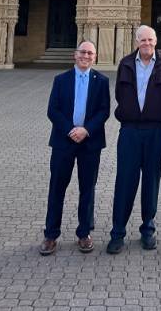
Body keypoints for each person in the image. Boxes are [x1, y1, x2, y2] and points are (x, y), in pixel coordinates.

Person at [106, 25, 161, 254]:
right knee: (125, 181)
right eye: (142, 40)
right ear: (136, 41)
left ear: (156, 41)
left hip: (156, 131)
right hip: (130, 131)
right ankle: (118, 233)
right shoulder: (126, 63)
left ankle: (148, 229)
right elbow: (119, 94)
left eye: (150, 40)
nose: (147, 43)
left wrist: (155, 112)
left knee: (151, 181)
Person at [39, 40, 110, 256]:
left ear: (95, 57)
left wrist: (86, 130)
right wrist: (71, 130)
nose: (86, 56)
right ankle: (51, 235)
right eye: (82, 52)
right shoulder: (61, 80)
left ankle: (84, 233)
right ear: (75, 54)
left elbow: (104, 111)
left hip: (90, 142)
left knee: (87, 188)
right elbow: (53, 110)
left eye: (90, 53)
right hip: (64, 141)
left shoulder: (102, 81)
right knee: (57, 188)